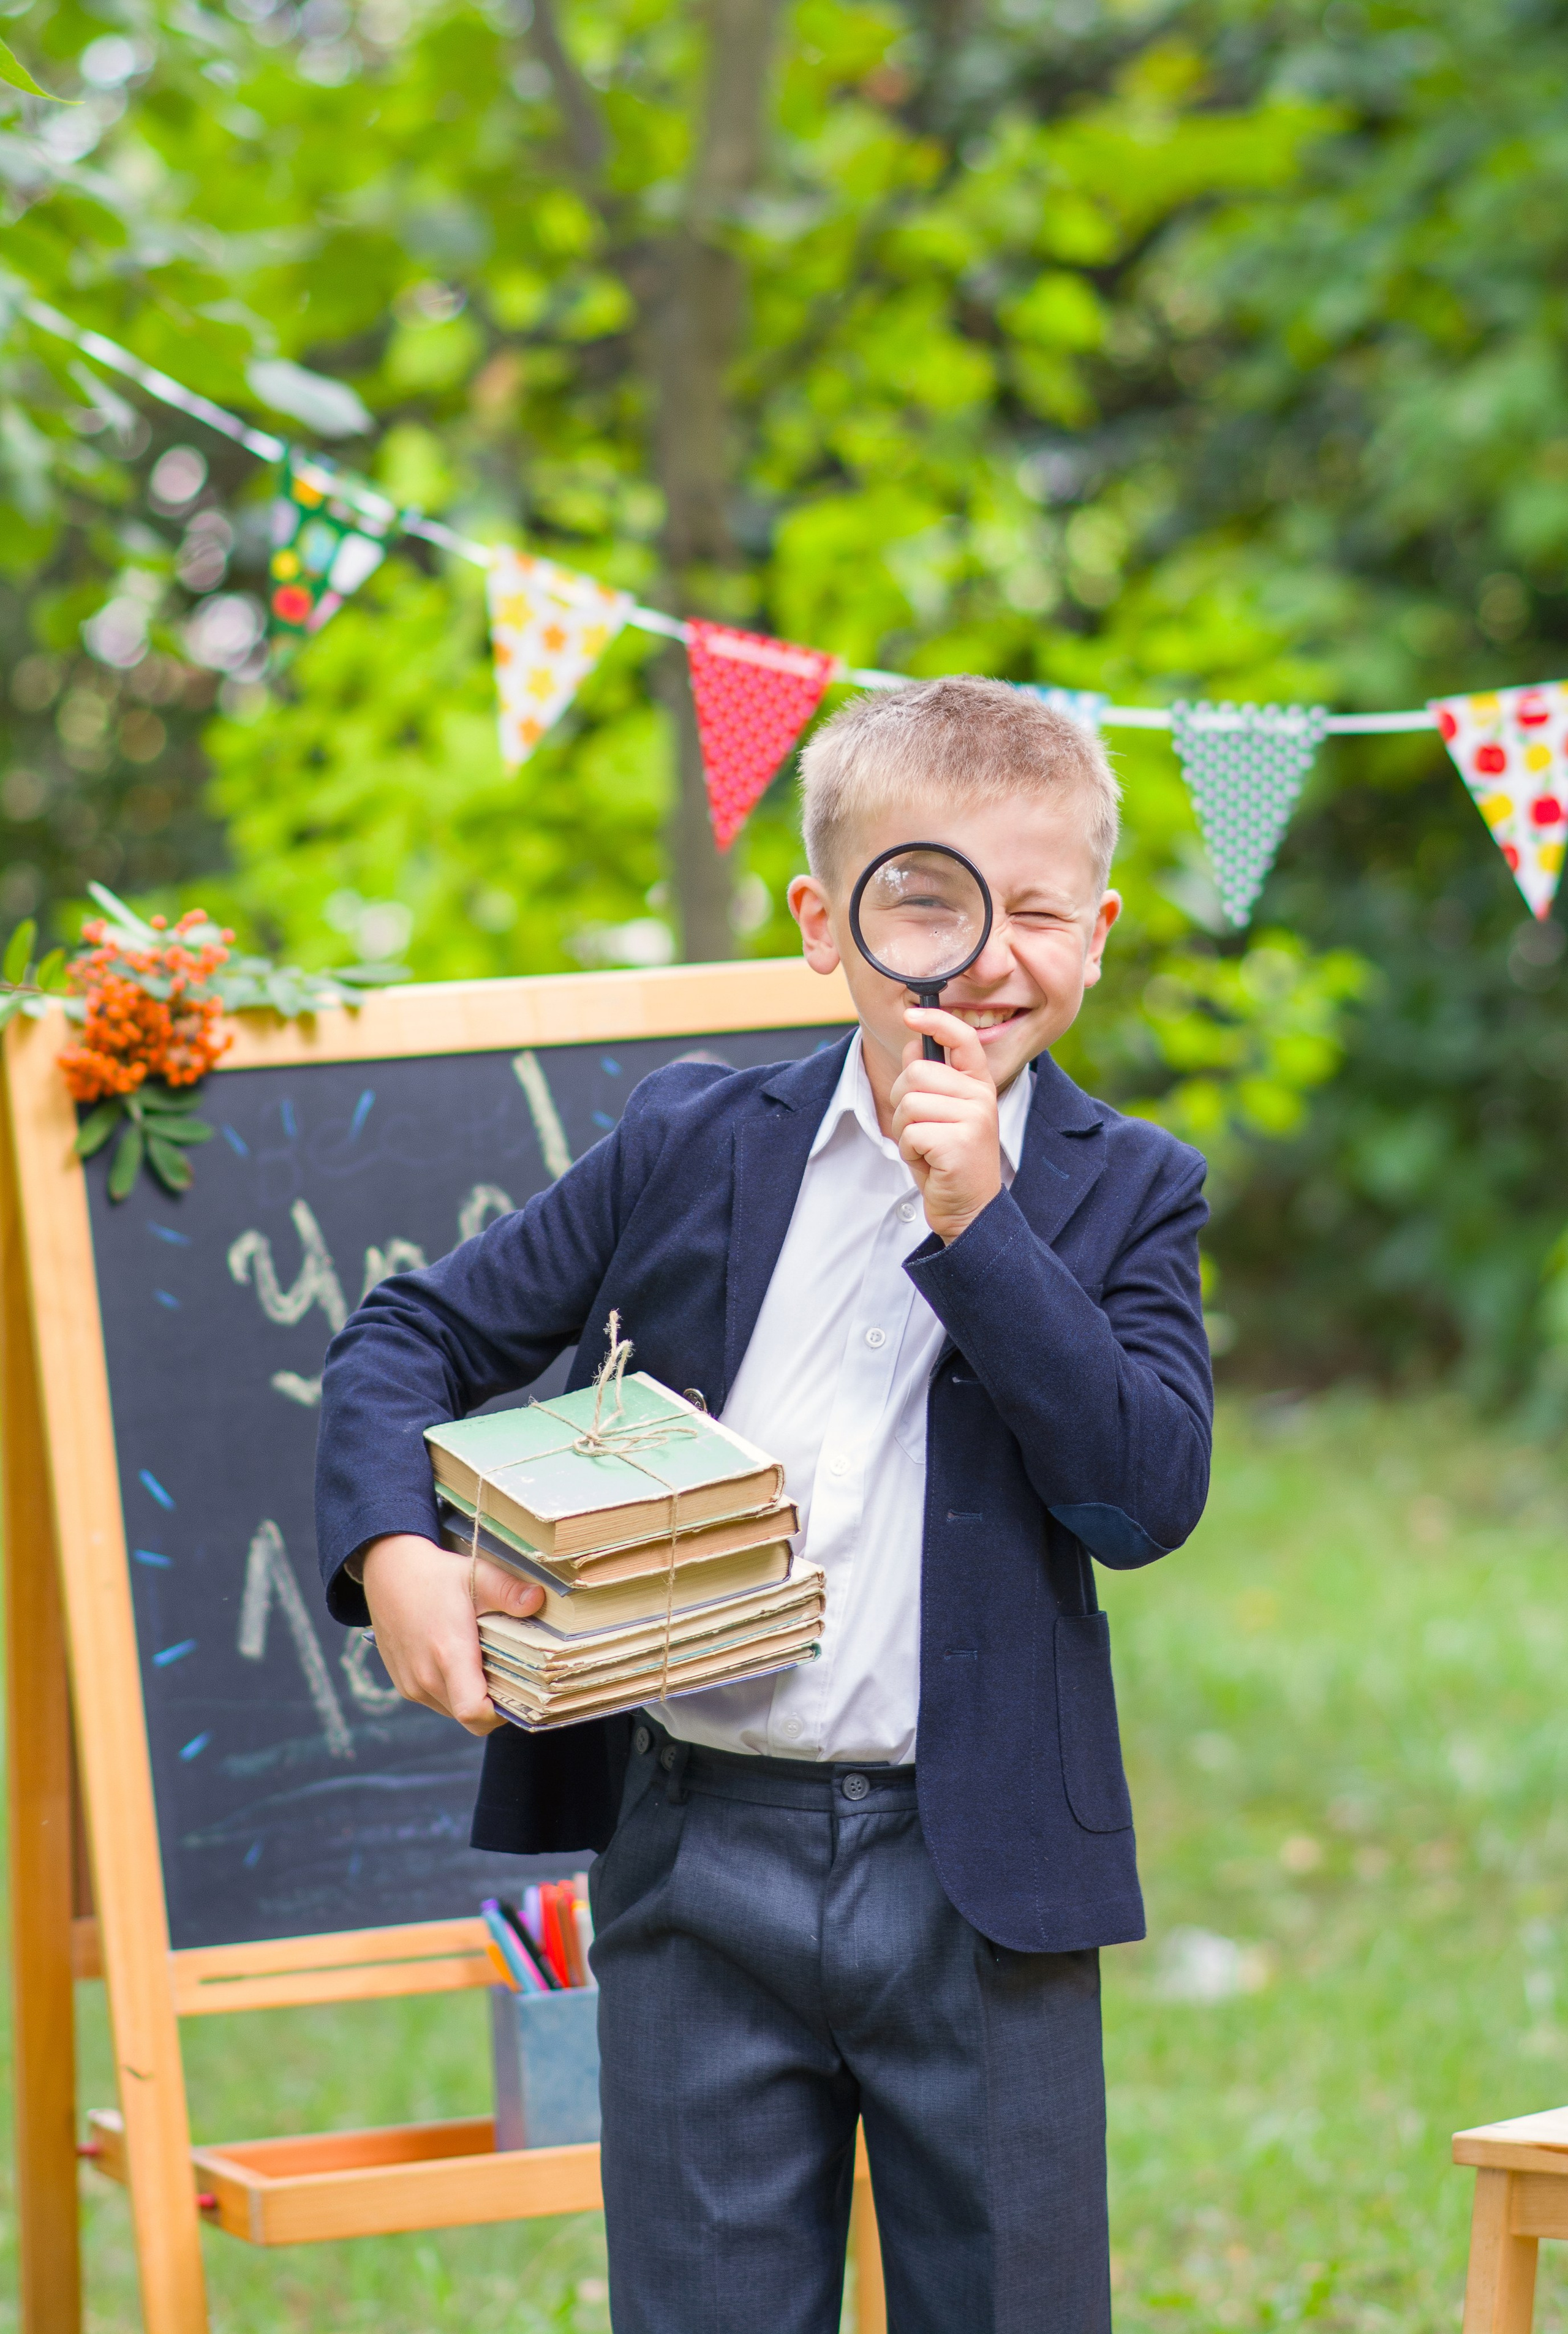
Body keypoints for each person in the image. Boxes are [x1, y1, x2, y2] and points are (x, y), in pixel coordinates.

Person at [315, 674, 1212, 2334]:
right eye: (930, 900)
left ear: (1097, 931)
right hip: (695, 1850)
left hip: (978, 1881)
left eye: (1035, 910)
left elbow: (1145, 1492)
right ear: (828, 922)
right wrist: (392, 1557)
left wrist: (981, 1224)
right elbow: (412, 1331)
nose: (986, 954)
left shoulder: (1131, 1189)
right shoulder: (694, 1142)